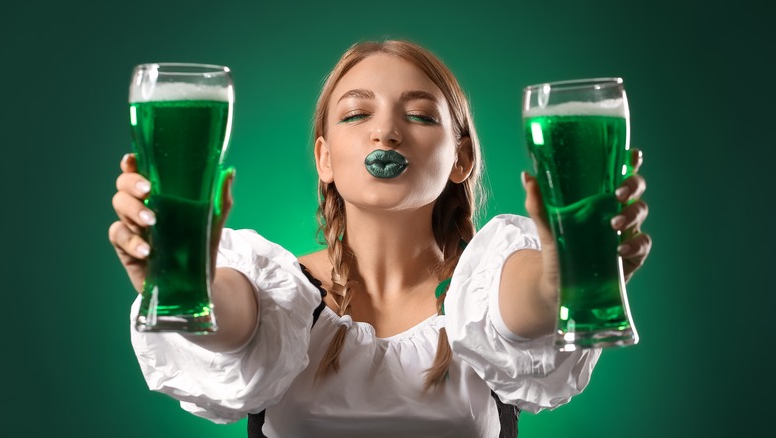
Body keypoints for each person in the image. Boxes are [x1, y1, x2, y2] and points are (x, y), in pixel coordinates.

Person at [110, 40, 651, 437]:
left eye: (418, 115)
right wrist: (186, 278)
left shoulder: (491, 284)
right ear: (324, 158)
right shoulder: (274, 291)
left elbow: (528, 301)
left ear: (461, 159)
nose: (385, 131)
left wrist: (562, 281)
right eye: (356, 114)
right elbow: (226, 317)